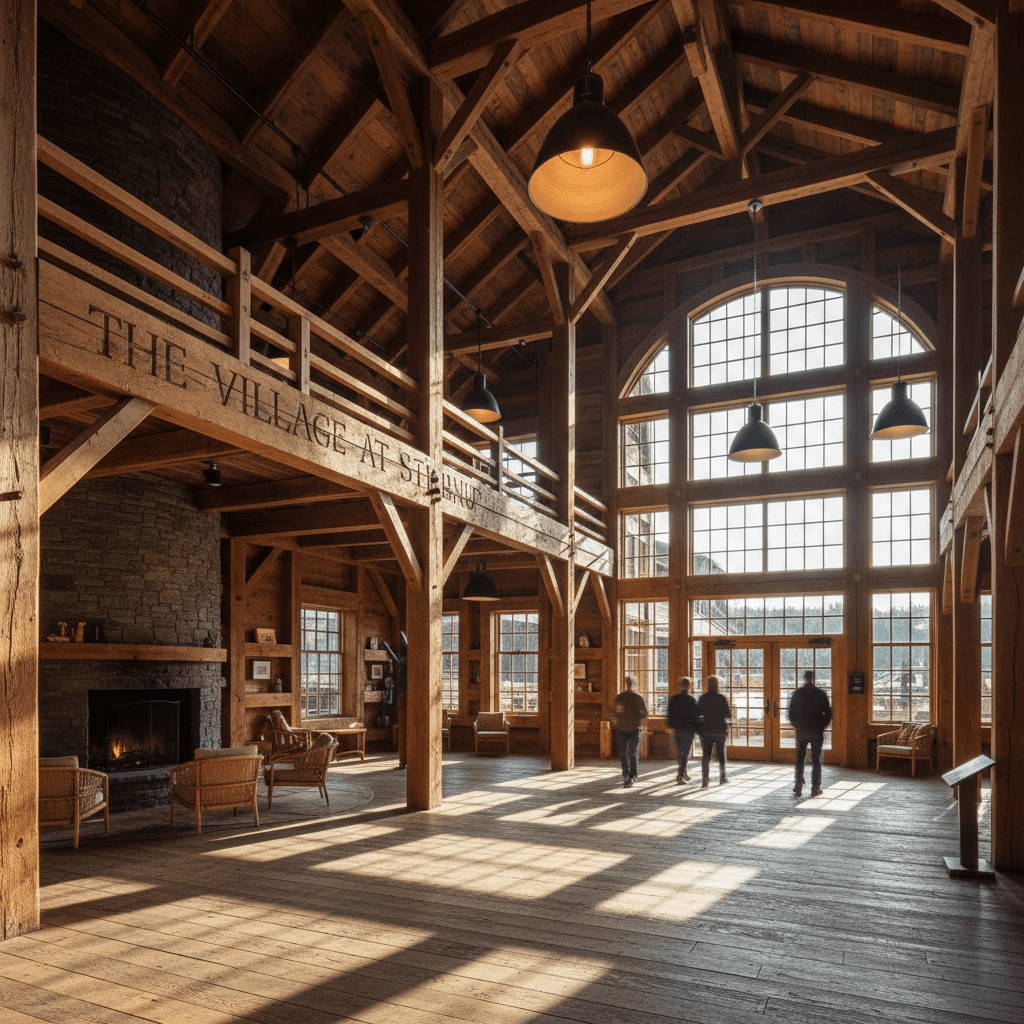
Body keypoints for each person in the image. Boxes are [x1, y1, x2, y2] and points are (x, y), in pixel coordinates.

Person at [788, 669, 832, 797]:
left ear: (804, 678)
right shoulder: (820, 694)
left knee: (800, 759)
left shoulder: (797, 694)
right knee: (816, 760)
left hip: (801, 731)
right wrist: (821, 726)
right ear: (813, 679)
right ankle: (815, 788)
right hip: (816, 731)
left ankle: (798, 786)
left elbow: (791, 714)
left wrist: (797, 725)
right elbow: (828, 714)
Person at [611, 675, 648, 788]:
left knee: (623, 754)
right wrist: (637, 718)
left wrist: (619, 719)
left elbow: (613, 712)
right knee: (633, 753)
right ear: (635, 684)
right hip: (634, 729)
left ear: (625, 684)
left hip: (622, 729)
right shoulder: (638, 698)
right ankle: (632, 776)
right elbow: (645, 713)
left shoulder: (619, 698)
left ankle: (626, 775)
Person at [696, 675, 731, 788]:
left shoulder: (703, 698)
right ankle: (722, 777)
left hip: (706, 730)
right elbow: (728, 714)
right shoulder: (722, 698)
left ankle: (705, 780)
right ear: (718, 685)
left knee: (706, 756)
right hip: (719, 730)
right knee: (721, 755)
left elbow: (697, 713)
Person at [666, 676, 699, 784]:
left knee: (680, 752)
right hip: (688, 730)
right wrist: (696, 728)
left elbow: (669, 714)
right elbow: (695, 716)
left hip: (677, 729)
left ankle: (683, 772)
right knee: (685, 753)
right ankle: (680, 775)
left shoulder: (674, 699)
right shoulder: (691, 700)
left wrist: (670, 726)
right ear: (689, 686)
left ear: (680, 686)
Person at [382, 633, 408, 770]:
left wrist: (388, 649)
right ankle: (403, 761)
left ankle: (404, 761)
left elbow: (397, 660)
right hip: (402, 692)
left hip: (406, 692)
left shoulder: (407, 658)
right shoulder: (403, 657)